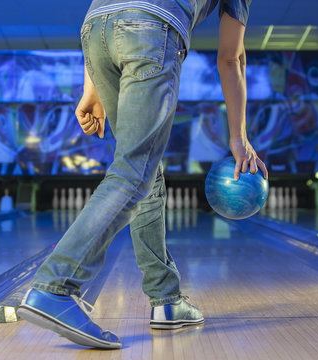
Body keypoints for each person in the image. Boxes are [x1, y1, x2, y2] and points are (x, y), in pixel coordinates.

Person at [17, 0, 268, 349]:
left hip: (96, 26)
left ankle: (166, 300)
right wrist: (239, 138)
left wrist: (92, 87)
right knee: (133, 172)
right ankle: (54, 288)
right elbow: (231, 58)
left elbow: (109, 11)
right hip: (151, 28)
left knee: (144, 170)